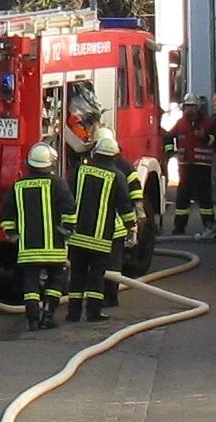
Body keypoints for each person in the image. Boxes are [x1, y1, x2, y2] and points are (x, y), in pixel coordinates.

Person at [0, 142, 77, 331]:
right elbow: (69, 210)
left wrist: (12, 234)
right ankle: (48, 316)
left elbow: (6, 214)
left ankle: (32, 319)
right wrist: (66, 231)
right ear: (50, 163)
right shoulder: (58, 183)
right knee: (55, 280)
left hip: (28, 247)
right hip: (53, 246)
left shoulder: (18, 185)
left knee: (30, 282)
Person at [66, 137, 136, 322]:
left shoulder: (79, 170)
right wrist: (132, 229)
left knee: (77, 274)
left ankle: (73, 313)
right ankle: (93, 313)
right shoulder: (117, 176)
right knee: (96, 276)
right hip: (101, 238)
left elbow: (66, 196)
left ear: (95, 152)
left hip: (77, 236)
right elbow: (125, 207)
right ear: (114, 156)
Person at [89, 126, 143, 308]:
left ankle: (98, 298)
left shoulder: (90, 166)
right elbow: (135, 188)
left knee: (98, 263)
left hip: (97, 225)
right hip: (119, 224)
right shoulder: (125, 165)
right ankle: (110, 298)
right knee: (113, 263)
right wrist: (135, 219)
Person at [164, 92, 216, 237]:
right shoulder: (181, 123)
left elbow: (215, 140)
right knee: (182, 197)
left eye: (192, 107)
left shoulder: (207, 123)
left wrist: (204, 137)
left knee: (204, 196)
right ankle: (179, 226)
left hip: (202, 165)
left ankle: (209, 224)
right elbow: (168, 136)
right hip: (185, 165)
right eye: (187, 107)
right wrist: (170, 152)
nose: (189, 110)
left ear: (197, 107)